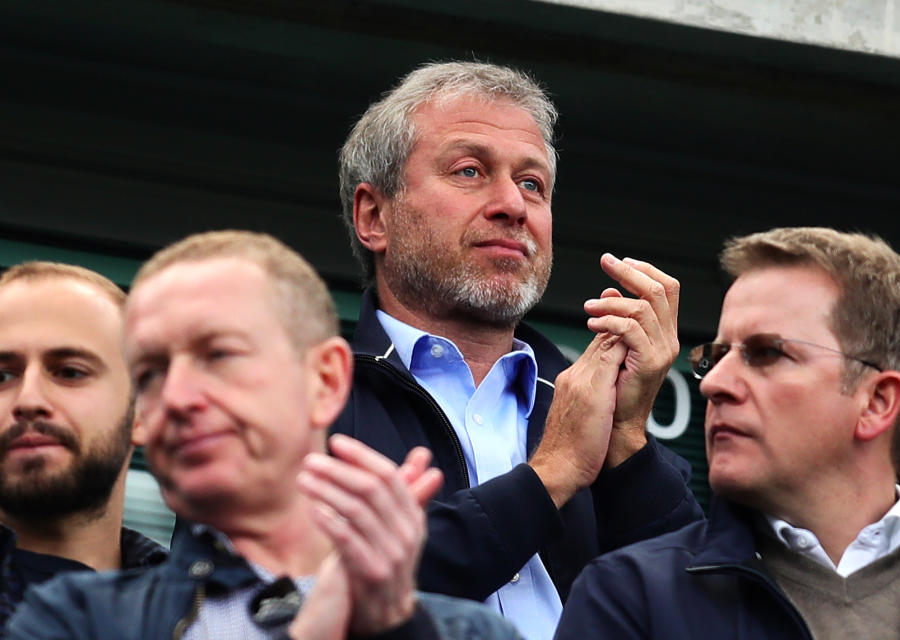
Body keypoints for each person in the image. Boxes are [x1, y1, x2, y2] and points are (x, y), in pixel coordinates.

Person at [334, 60, 702, 639]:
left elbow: (703, 614)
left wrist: (627, 444)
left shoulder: (590, 409)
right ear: (374, 217)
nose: (513, 205)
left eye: (533, 183)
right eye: (469, 171)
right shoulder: (306, 403)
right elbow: (307, 602)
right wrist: (551, 474)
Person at [7, 231, 522, 639]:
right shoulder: (76, 619)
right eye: (150, 373)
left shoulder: (465, 633)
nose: (178, 396)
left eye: (219, 356)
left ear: (324, 380)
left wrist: (394, 630)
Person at [555, 227, 900, 639]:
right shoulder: (629, 595)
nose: (713, 384)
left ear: (877, 402)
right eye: (715, 357)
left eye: (767, 353)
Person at [0, 262, 167, 634]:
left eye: (69, 372)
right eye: (2, 376)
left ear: (143, 410)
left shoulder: (214, 615)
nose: (28, 399)